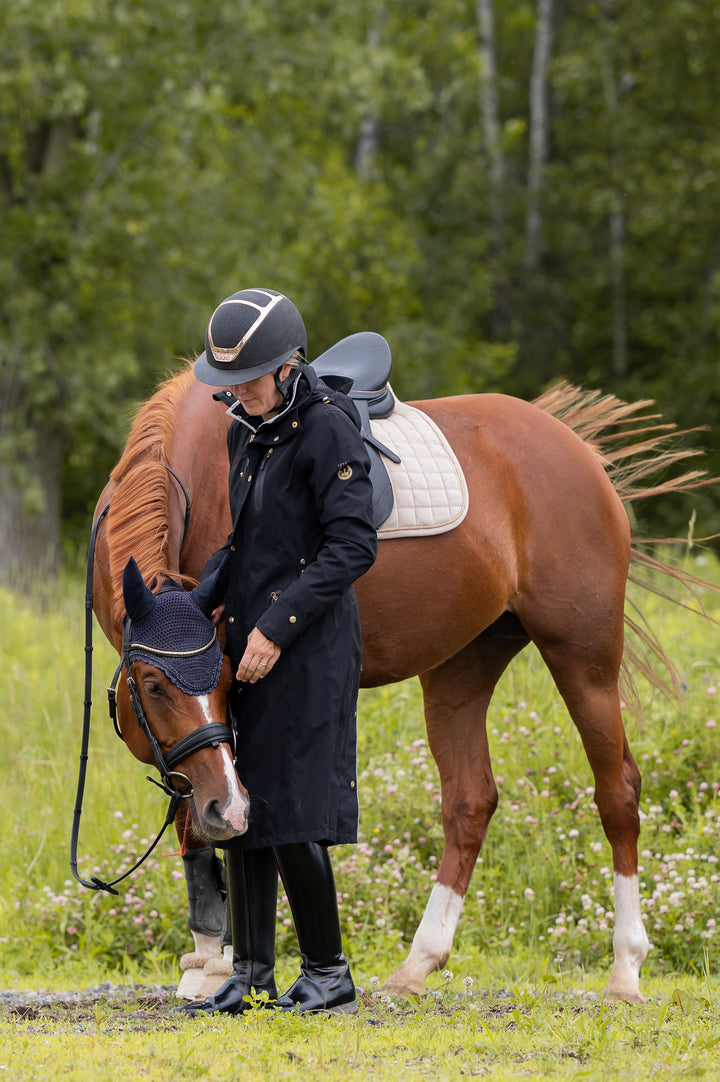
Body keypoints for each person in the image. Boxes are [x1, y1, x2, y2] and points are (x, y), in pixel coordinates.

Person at [181, 287, 378, 1016]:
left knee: (293, 810)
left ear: (288, 364)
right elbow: (247, 543)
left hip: (310, 645)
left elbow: (351, 546)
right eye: (230, 382)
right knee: (244, 811)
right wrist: (197, 604)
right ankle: (253, 974)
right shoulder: (246, 432)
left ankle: (329, 973)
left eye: (251, 379)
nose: (239, 394)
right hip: (250, 645)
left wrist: (274, 630)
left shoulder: (327, 431)